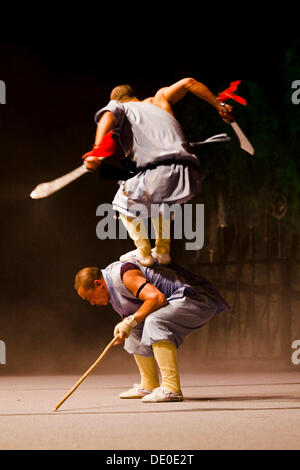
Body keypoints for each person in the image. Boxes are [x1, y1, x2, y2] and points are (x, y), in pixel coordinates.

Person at [82, 78, 234, 267]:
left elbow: (107, 116)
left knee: (121, 203)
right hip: (186, 172)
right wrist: (219, 105)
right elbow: (189, 83)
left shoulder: (120, 107)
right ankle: (162, 251)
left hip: (158, 169)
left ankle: (143, 253)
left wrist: (96, 150)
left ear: (119, 100)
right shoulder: (160, 99)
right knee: (158, 201)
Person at [74, 258, 232, 403]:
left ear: (98, 284)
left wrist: (130, 320)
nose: (92, 303)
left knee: (154, 321)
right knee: (133, 326)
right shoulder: (111, 291)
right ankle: (148, 385)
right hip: (181, 299)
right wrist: (127, 325)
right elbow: (135, 316)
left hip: (198, 297)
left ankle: (171, 389)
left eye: (90, 298)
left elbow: (157, 298)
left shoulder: (122, 275)